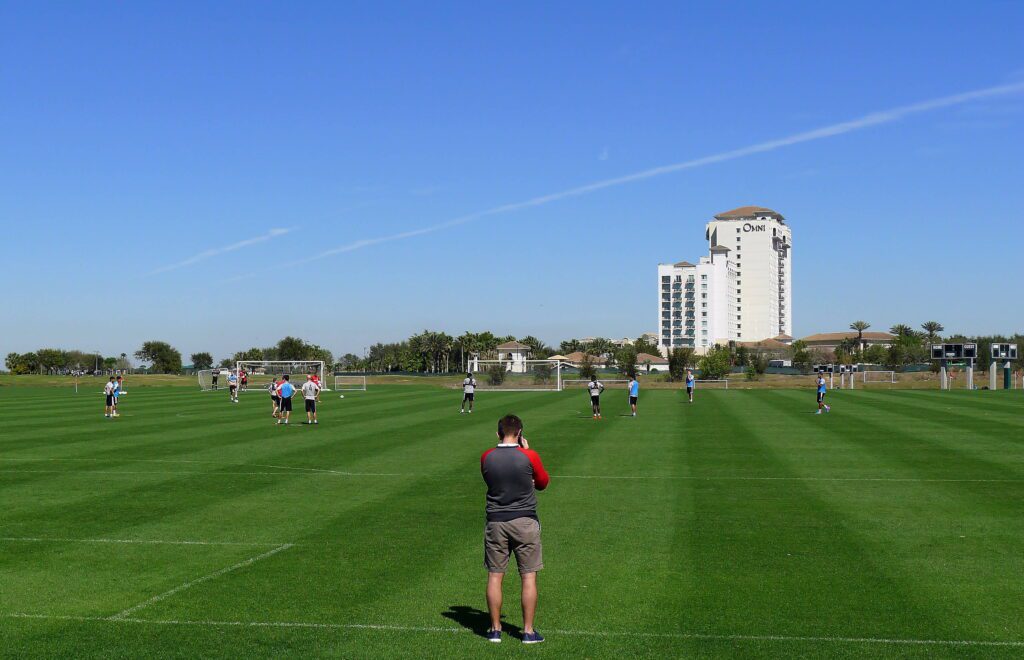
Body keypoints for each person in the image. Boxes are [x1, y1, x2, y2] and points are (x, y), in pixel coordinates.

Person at [480, 414, 550, 645]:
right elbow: (542, 483)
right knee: (528, 576)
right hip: (524, 521)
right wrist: (527, 456)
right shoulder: (528, 455)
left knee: (495, 576)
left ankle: (494, 629)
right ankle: (528, 632)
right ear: (519, 433)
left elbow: (492, 481)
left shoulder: (487, 457)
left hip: (496, 521)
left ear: (498, 433)